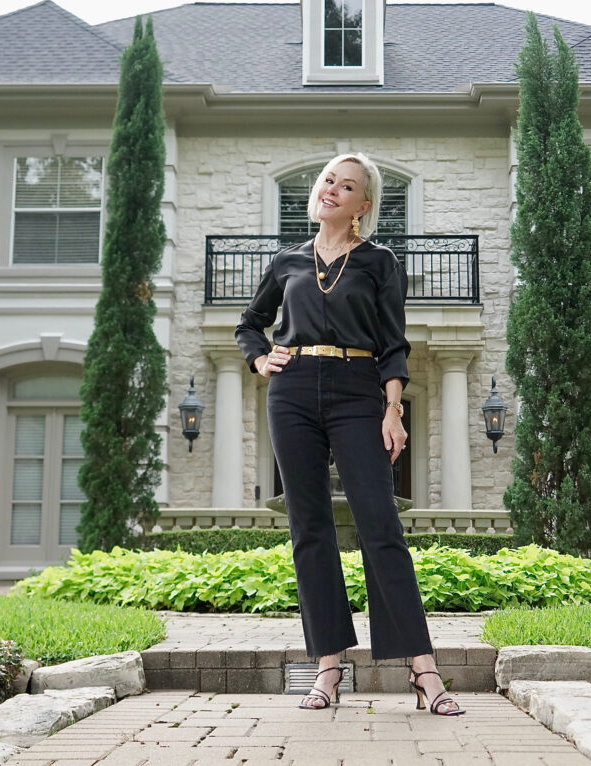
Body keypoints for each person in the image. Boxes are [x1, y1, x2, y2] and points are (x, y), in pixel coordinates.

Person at [235, 152, 464, 716]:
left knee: (379, 525)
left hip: (359, 388)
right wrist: (261, 360)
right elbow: (249, 323)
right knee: (309, 528)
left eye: (347, 186)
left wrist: (393, 409)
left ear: (364, 205)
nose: (332, 190)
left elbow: (393, 343)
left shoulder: (379, 261)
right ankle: (329, 668)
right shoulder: (287, 261)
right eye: (327, 180)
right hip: (293, 391)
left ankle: (423, 669)